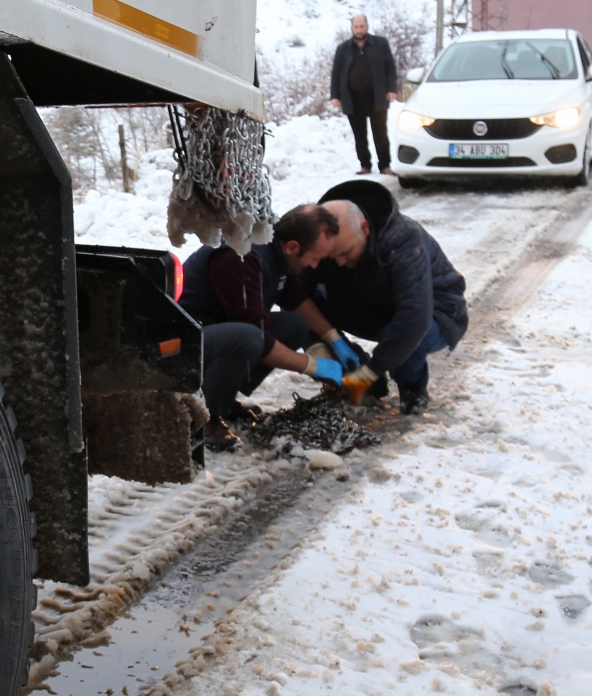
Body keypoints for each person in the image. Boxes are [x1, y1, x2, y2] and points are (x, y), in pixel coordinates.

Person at [179, 204, 358, 451]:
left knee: (295, 325)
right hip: (184, 345)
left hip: (219, 332)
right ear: (292, 247)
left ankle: (224, 400)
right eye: (315, 258)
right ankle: (205, 417)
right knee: (250, 338)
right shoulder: (241, 256)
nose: (315, 266)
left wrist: (334, 338)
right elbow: (259, 339)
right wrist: (313, 366)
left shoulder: (276, 248)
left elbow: (295, 299)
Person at [308, 179, 468, 416]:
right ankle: (353, 367)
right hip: (371, 306)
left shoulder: (403, 239)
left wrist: (373, 370)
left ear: (365, 228)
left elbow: (415, 316)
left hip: (437, 312)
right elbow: (295, 294)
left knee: (402, 333)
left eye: (346, 253)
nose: (339, 262)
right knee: (305, 309)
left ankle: (412, 388)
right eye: (332, 256)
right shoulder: (320, 234)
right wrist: (329, 341)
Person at [330, 14, 399, 176]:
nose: (359, 30)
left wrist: (392, 89)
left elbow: (390, 68)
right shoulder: (343, 48)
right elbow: (336, 73)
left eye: (362, 27)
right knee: (360, 135)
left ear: (367, 26)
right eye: (356, 27)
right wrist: (335, 95)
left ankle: (385, 165)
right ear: (352, 28)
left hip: (377, 97)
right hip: (353, 98)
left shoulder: (380, 44)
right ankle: (365, 165)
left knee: (380, 134)